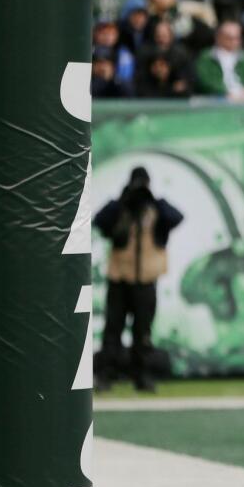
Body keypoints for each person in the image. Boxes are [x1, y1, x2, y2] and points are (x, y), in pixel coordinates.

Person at [93, 167, 184, 392]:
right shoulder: (120, 209)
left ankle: (142, 376)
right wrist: (123, 200)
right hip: (120, 279)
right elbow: (99, 220)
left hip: (146, 281)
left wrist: (153, 200)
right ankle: (106, 375)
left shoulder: (155, 209)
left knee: (143, 332)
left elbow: (177, 217)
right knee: (112, 330)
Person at [194, 21, 244, 100]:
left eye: (237, 38)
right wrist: (226, 93)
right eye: (230, 38)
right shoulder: (207, 57)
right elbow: (204, 82)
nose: (234, 42)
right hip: (217, 99)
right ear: (218, 37)